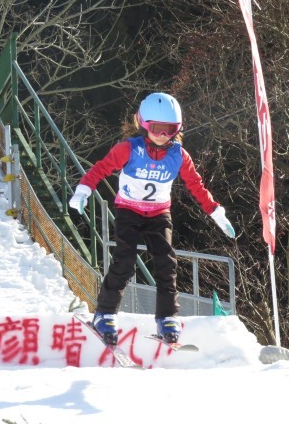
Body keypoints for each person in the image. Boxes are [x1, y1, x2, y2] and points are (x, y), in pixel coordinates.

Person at [68, 92, 236, 345]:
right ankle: (105, 313)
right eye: (157, 128)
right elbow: (101, 168)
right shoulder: (129, 148)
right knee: (124, 261)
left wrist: (216, 212)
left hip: (159, 214)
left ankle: (167, 317)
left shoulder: (179, 155)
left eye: (170, 129)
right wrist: (83, 190)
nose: (163, 135)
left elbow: (196, 185)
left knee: (166, 264)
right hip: (128, 211)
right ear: (143, 123)